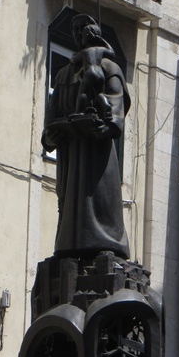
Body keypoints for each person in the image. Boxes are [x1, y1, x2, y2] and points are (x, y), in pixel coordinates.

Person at [42, 14, 131, 260]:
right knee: (70, 208)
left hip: (97, 156)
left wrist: (106, 125)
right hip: (70, 155)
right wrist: (51, 136)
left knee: (100, 202)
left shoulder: (110, 68)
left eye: (82, 28)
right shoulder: (63, 75)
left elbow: (116, 110)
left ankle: (107, 242)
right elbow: (51, 118)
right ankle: (68, 248)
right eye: (75, 29)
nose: (78, 33)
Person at [71, 22, 116, 120]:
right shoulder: (101, 49)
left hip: (90, 72)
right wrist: (102, 40)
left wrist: (73, 56)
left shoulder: (84, 52)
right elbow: (112, 53)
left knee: (82, 92)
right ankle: (107, 107)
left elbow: (74, 60)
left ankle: (79, 111)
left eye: (83, 35)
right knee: (99, 94)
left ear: (87, 36)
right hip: (100, 74)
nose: (81, 38)